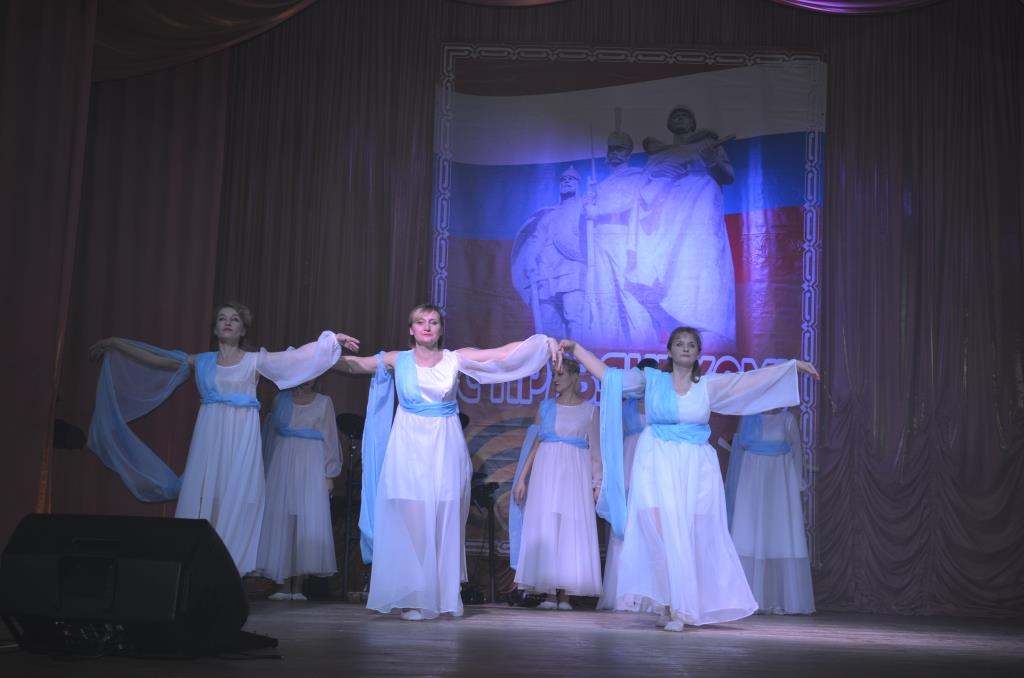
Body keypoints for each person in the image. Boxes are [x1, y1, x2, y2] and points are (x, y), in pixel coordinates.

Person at [560, 328, 819, 632]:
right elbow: (609, 376)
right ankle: (669, 603)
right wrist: (576, 349)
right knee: (657, 534)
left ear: (698, 353)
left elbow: (749, 382)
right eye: (680, 344)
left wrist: (791, 368)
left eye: (691, 344)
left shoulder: (707, 386)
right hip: (656, 462)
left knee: (687, 536)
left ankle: (679, 607)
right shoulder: (651, 380)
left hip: (695, 467)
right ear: (670, 351)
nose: (685, 348)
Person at [89, 302, 358, 574]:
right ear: (216, 329)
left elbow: (297, 357)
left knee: (237, 498)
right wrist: (117, 344)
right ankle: (198, 567)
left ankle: (230, 569)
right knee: (206, 494)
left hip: (241, 439)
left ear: (243, 330)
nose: (228, 322)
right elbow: (160, 359)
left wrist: (331, 340)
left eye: (235, 319)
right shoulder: (203, 361)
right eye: (222, 318)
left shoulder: (254, 362)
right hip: (210, 437)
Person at [331, 303, 560, 621]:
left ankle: (441, 595)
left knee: (443, 517)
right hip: (408, 448)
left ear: (440, 329)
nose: (427, 326)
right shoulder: (398, 359)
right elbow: (354, 365)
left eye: (433, 322)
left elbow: (501, 353)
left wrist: (544, 342)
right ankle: (414, 597)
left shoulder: (455, 359)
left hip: (445, 448)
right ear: (411, 329)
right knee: (411, 520)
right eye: (420, 322)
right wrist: (329, 347)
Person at [630, 105, 737, 346]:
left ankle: (703, 321)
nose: (680, 118)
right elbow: (642, 190)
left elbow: (728, 175)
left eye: (685, 116)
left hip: (700, 213)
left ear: (693, 123)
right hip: (668, 218)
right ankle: (675, 325)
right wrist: (658, 173)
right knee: (670, 267)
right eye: (675, 115)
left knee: (701, 265)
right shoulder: (659, 155)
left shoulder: (709, 144)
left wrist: (711, 160)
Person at [511, 357, 602, 610]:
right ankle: (550, 593)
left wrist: (597, 482)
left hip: (574, 474)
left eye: (560, 374)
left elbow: (595, 451)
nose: (556, 379)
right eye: (554, 375)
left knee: (570, 528)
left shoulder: (589, 411)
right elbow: (535, 443)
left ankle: (565, 596)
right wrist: (522, 478)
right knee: (547, 525)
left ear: (574, 377)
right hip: (546, 472)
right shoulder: (546, 408)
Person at [256, 378, 342, 600]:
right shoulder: (281, 400)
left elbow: (330, 438)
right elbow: (271, 436)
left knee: (305, 520)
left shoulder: (324, 402)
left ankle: (298, 587)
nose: (308, 380)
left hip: (311, 465)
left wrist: (329, 474)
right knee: (283, 521)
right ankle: (283, 586)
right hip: (283, 463)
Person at [725, 407, 815, 614]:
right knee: (750, 538)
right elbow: (739, 450)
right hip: (752, 484)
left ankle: (778, 599)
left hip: (779, 483)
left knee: (778, 540)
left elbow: (797, 452)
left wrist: (797, 484)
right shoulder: (748, 418)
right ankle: (747, 599)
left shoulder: (787, 420)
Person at [581, 113, 656, 348]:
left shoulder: (636, 176)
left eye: (619, 149)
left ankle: (645, 347)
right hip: (599, 239)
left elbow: (630, 201)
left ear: (628, 153)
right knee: (604, 296)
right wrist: (588, 203)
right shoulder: (601, 184)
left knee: (628, 294)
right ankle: (610, 347)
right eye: (611, 148)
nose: (614, 152)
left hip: (621, 238)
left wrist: (597, 210)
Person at [597, 356, 658, 611]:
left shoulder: (660, 404)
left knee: (652, 527)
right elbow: (614, 437)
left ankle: (651, 597)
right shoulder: (626, 406)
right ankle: (624, 594)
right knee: (625, 528)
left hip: (653, 466)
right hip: (629, 465)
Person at [511, 167, 587, 338]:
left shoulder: (583, 208)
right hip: (546, 272)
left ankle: (577, 354)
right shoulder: (549, 215)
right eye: (563, 180)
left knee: (574, 317)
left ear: (578, 184)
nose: (566, 181)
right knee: (548, 322)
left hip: (572, 270)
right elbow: (536, 240)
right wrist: (530, 260)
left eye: (571, 179)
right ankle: (553, 355)